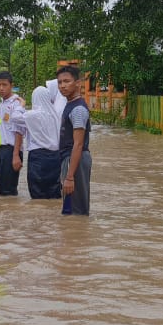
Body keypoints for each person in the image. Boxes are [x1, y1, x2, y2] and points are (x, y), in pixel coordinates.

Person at [56, 65, 91, 216]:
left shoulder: (78, 109)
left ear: (78, 83)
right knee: (69, 207)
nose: (62, 86)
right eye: (59, 82)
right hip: (69, 159)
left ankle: (78, 237)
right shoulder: (70, 104)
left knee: (76, 210)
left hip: (75, 160)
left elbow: (78, 144)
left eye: (66, 81)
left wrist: (70, 177)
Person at [19, 84, 62, 200]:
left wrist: (21, 105)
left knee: (37, 193)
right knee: (54, 192)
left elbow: (13, 117)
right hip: (55, 158)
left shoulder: (32, 115)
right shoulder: (56, 115)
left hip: (38, 158)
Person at [0, 71, 26, 196]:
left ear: (11, 85)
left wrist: (16, 155)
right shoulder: (0, 104)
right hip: (1, 150)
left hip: (12, 150)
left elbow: (19, 131)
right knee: (2, 189)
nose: (1, 88)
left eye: (4, 85)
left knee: (9, 191)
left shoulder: (16, 103)